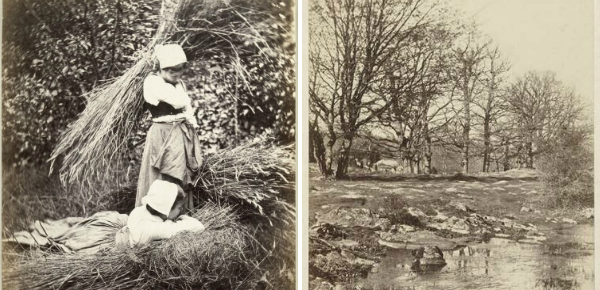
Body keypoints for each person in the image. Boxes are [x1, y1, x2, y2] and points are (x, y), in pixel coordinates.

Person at [137, 43, 203, 211]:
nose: (176, 74)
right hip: (163, 133)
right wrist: (185, 102)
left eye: (179, 69)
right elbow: (179, 101)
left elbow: (187, 109)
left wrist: (193, 126)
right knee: (162, 175)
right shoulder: (152, 82)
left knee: (180, 173)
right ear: (161, 68)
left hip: (180, 133)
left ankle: (179, 214)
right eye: (171, 70)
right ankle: (155, 215)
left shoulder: (178, 84)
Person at [127, 179, 205, 247]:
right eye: (179, 207)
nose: (181, 210)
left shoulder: (138, 211)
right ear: (166, 209)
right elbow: (199, 227)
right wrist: (184, 217)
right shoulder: (155, 229)